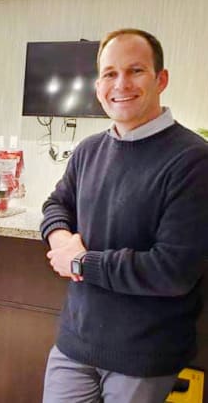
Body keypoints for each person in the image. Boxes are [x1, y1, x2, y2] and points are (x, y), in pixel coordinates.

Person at [40, 28, 208, 403]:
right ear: (98, 84)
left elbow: (173, 270)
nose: (121, 84)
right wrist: (61, 239)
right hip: (75, 344)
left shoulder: (193, 160)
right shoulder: (88, 150)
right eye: (110, 73)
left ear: (161, 79)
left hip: (144, 355)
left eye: (136, 71)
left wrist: (83, 263)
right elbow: (56, 205)